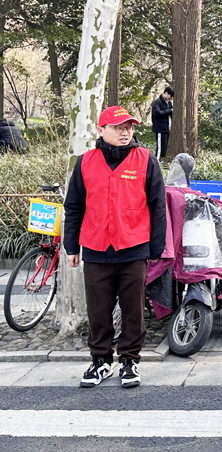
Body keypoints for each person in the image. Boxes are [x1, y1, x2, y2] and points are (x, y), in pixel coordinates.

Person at [63, 106, 167, 388]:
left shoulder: (145, 160)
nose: (125, 132)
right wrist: (71, 247)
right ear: (101, 130)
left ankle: (130, 360)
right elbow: (73, 208)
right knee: (98, 310)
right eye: (118, 127)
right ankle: (101, 361)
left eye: (129, 127)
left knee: (133, 309)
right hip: (95, 249)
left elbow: (158, 207)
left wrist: (157, 249)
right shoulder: (85, 162)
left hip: (133, 247)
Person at [151, 86, 174, 160]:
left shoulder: (169, 103)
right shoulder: (157, 102)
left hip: (167, 128)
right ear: (166, 93)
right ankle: (157, 161)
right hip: (160, 128)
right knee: (160, 147)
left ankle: (163, 160)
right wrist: (170, 111)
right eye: (170, 96)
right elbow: (157, 113)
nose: (171, 98)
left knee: (165, 147)